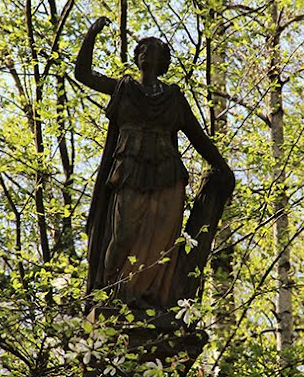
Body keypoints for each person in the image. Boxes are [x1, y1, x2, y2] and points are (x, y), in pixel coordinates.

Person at [75, 16, 234, 310]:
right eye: (141, 49)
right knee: (122, 235)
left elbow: (198, 137)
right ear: (136, 59)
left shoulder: (173, 97)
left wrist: (223, 167)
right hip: (129, 169)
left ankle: (151, 298)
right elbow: (82, 74)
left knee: (162, 239)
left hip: (167, 174)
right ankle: (110, 293)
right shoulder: (123, 89)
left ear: (163, 60)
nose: (146, 52)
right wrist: (91, 35)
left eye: (153, 49)